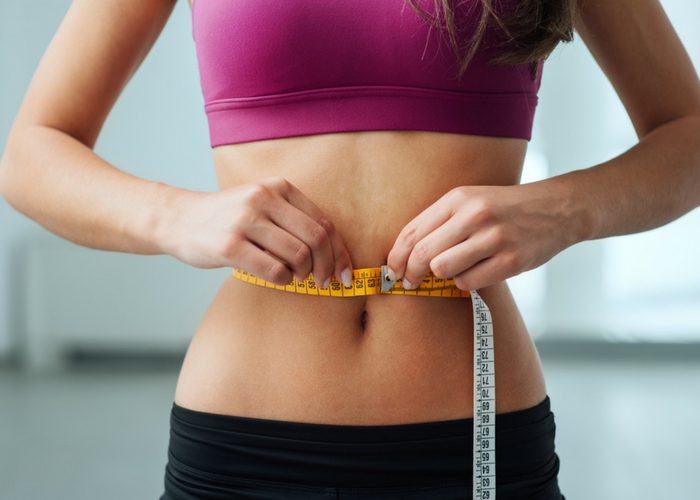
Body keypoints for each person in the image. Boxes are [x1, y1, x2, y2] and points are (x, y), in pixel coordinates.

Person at [1, 0, 699, 498]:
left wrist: (564, 209)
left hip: (476, 431)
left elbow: (688, 135)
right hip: (245, 437)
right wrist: (174, 216)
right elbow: (32, 154)